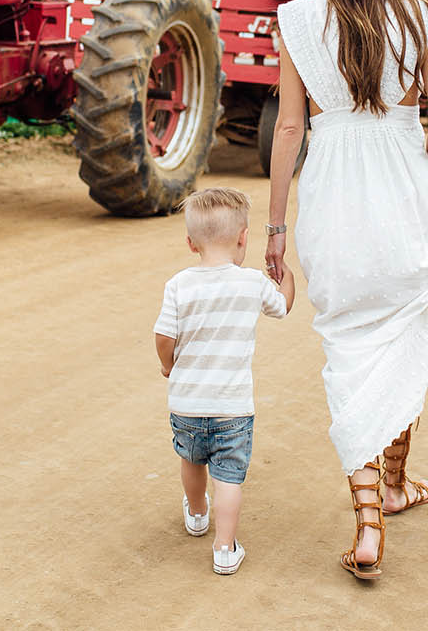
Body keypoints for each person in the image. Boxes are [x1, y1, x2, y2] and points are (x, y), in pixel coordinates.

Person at [265, 0, 428, 580]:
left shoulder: (296, 19)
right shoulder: (425, 12)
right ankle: (398, 483)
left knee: (349, 350)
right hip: (406, 189)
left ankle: (371, 518)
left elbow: (289, 129)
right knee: (406, 338)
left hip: (333, 200)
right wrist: (420, 181)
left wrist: (277, 229)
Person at [153, 187, 295, 575]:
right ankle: (224, 548)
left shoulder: (179, 285)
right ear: (243, 237)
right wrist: (287, 278)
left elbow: (164, 337)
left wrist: (168, 365)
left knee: (191, 459)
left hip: (187, 403)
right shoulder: (252, 283)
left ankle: (197, 514)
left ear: (189, 242)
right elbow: (282, 307)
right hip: (232, 407)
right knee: (228, 478)